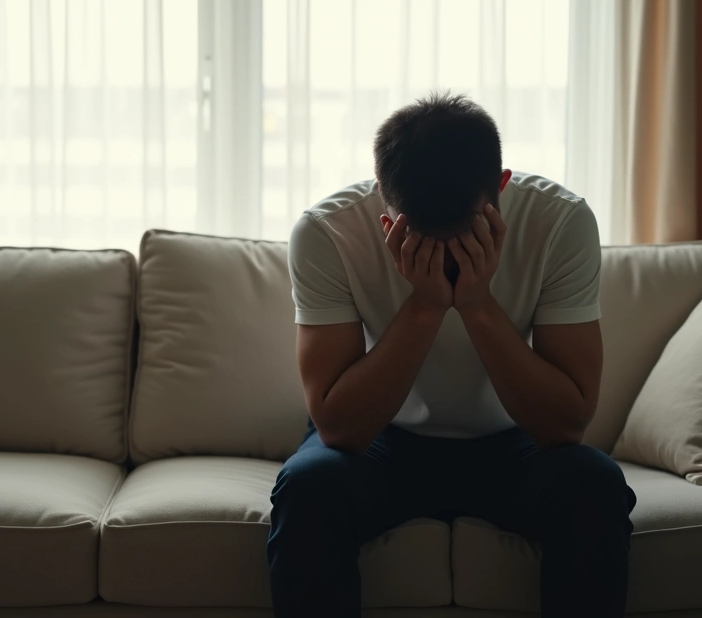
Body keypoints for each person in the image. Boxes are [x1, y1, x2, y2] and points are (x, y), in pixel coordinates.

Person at [268, 92, 636, 617]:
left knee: (595, 487)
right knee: (308, 489)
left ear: (501, 186)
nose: (445, 257)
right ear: (385, 209)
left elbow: (566, 424)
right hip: (382, 439)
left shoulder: (561, 221)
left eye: (463, 236)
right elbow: (339, 428)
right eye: (421, 241)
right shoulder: (327, 232)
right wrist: (425, 306)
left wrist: (478, 305)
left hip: (513, 441)